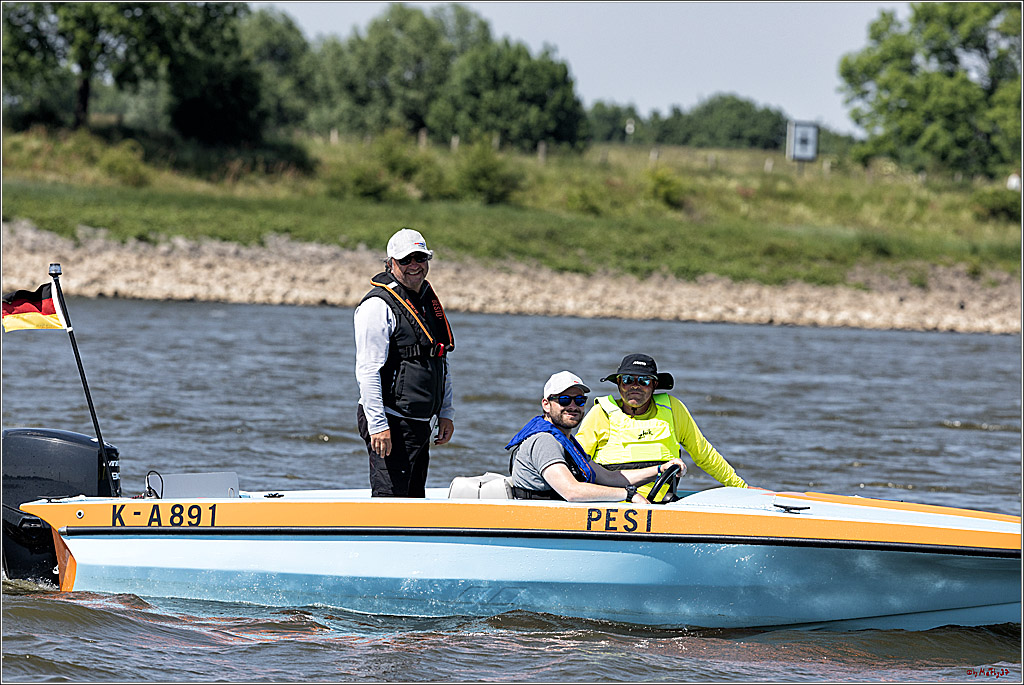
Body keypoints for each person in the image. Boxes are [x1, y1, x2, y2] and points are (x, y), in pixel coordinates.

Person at [354, 228, 455, 497]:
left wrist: (446, 412)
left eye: (420, 259)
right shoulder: (377, 306)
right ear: (390, 263)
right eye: (405, 260)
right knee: (390, 501)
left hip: (420, 421)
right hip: (391, 421)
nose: (414, 266)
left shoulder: (425, 301)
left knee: (413, 499)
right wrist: (378, 425)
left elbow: (440, 358)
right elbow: (368, 370)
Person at [576, 354, 748, 498]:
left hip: (660, 505)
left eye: (643, 381)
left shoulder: (673, 409)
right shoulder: (600, 413)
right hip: (612, 504)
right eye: (628, 380)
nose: (634, 386)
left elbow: (703, 454)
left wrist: (742, 488)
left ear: (654, 385)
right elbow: (575, 460)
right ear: (619, 384)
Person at [506, 371, 687, 503]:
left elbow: (610, 478)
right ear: (546, 404)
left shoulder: (567, 442)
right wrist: (629, 495)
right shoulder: (544, 441)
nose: (572, 406)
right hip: (538, 521)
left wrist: (659, 469)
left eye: (579, 401)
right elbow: (572, 491)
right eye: (563, 400)